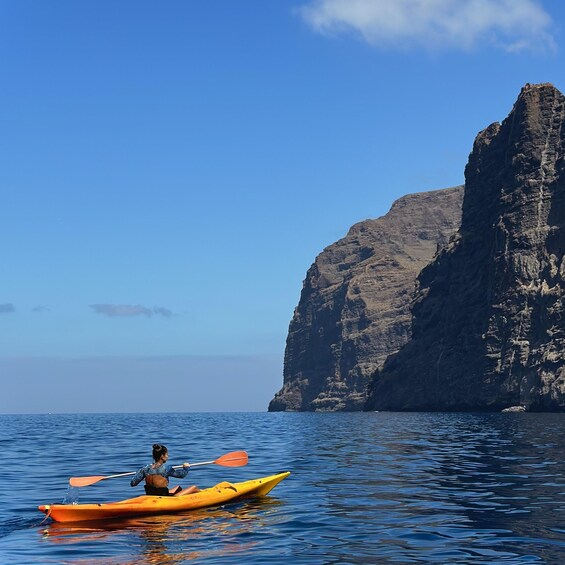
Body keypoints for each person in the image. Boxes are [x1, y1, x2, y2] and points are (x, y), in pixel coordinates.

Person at [130, 444, 197, 496]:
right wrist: (186, 467)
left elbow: (133, 483)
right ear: (162, 456)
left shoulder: (145, 469)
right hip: (163, 498)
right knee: (194, 487)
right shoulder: (166, 469)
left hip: (150, 496)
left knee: (178, 488)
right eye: (167, 454)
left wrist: (142, 476)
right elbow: (182, 475)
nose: (167, 456)